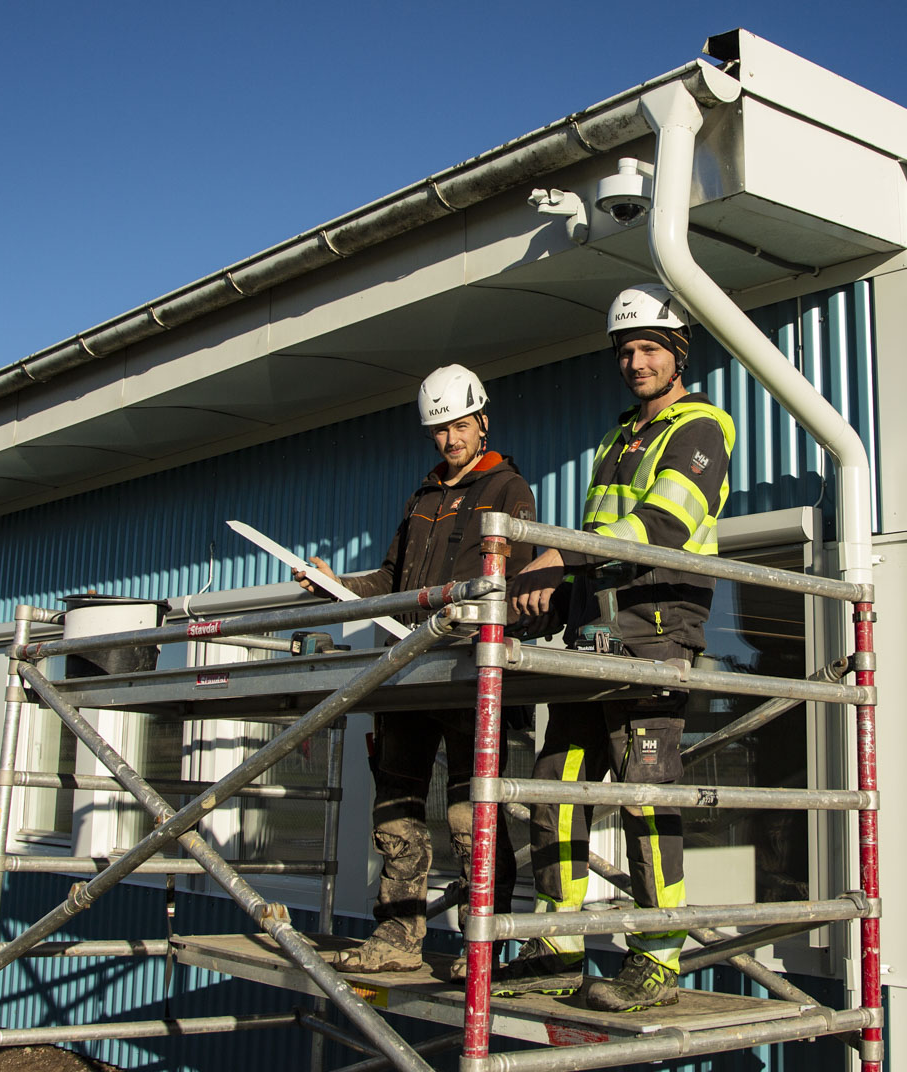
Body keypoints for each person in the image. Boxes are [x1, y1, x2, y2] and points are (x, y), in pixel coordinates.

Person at [496, 283, 734, 1012]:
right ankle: (557, 946)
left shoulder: (701, 427)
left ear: (678, 354)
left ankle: (657, 957)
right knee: (556, 786)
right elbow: (597, 547)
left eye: (650, 349)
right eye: (626, 351)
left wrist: (558, 555)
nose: (635, 362)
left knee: (644, 793)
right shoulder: (617, 437)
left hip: (656, 632)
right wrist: (550, 594)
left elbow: (663, 525)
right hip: (593, 633)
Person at [293, 363, 535, 977]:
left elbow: (516, 582)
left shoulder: (508, 490)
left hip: (467, 674)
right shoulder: (422, 497)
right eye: (439, 430)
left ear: (482, 422)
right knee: (395, 813)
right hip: (405, 674)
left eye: (459, 426)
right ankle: (397, 938)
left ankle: (482, 948)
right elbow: (390, 580)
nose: (449, 440)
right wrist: (336, 585)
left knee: (471, 818)